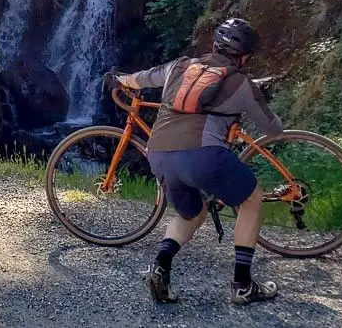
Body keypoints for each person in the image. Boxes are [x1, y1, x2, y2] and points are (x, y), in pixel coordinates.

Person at [113, 18, 283, 305]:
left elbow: (141, 78)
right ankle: (242, 285)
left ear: (214, 45)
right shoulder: (242, 83)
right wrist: (258, 95)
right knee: (251, 198)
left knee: (192, 214)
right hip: (203, 157)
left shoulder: (177, 66)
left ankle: (160, 267)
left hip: (158, 154)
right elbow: (273, 130)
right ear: (244, 57)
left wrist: (119, 79)